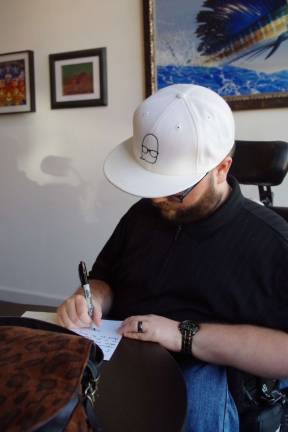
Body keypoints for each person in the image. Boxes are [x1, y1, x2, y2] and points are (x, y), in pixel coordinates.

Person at [57, 84, 288, 432]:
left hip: (208, 371)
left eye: (176, 189)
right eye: (150, 186)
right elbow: (104, 277)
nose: (159, 200)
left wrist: (183, 335)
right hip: (126, 353)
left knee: (196, 391)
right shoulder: (144, 213)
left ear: (222, 168)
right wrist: (89, 298)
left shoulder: (271, 242)